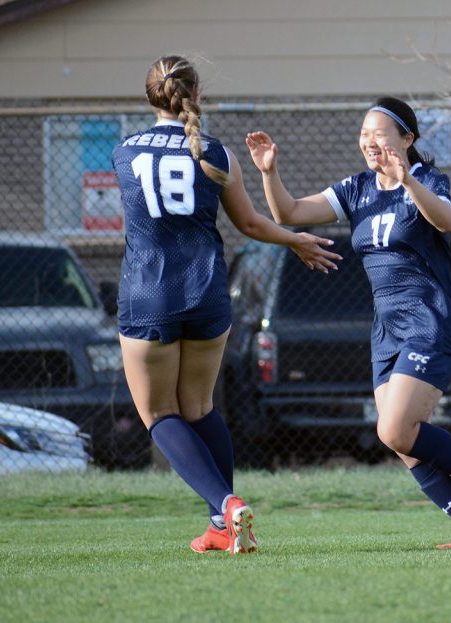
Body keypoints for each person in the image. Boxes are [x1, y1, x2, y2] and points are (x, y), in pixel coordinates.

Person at [245, 97, 451, 549]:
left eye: (379, 133)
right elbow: (288, 214)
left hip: (429, 317)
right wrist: (268, 171)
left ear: (407, 140)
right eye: (364, 134)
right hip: (386, 326)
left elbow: (447, 221)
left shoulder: (427, 180)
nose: (369, 141)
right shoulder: (357, 189)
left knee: (393, 428)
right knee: (401, 441)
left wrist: (408, 179)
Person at [111, 55, 342, 554]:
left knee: (159, 415)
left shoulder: (123, 151)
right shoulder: (216, 152)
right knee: (199, 407)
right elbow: (252, 225)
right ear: (196, 94)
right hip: (207, 292)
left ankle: (225, 506)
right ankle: (223, 526)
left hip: (148, 293)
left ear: (150, 94)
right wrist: (297, 240)